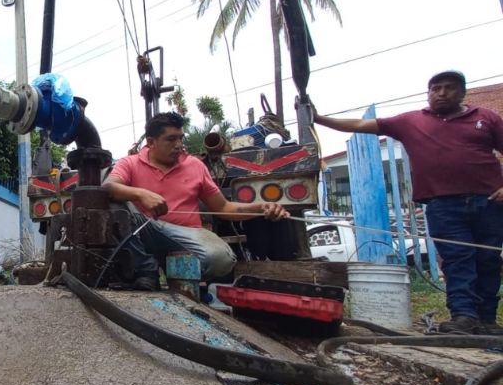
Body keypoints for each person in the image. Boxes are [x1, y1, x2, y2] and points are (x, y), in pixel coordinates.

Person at [313, 70, 503, 335]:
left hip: (489, 203)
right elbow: (358, 126)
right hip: (444, 206)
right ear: (428, 93)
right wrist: (318, 118)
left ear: (462, 92)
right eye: (435, 88)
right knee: (458, 259)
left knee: (488, 259)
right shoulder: (412, 121)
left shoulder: (485, 118)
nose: (441, 93)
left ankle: (487, 321)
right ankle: (464, 316)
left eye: (449, 88)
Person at [103, 113, 289, 291]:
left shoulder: (195, 166)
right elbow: (108, 187)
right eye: (171, 139)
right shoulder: (130, 163)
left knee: (221, 259)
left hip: (187, 236)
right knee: (114, 204)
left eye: (180, 138)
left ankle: (178, 276)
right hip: (146, 230)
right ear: (151, 142)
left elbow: (223, 207)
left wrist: (261, 208)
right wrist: (141, 194)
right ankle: (145, 269)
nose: (178, 145)